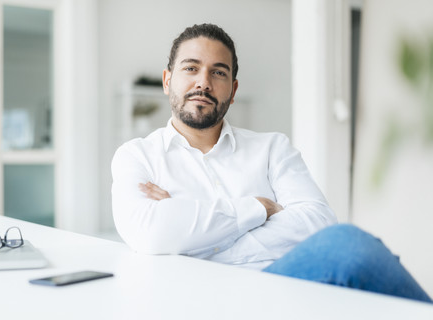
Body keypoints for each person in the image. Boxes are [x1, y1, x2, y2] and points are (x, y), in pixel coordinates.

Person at [111, 23, 432, 303]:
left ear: (233, 90)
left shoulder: (272, 148)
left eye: (218, 72)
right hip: (191, 299)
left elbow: (318, 223)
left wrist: (191, 232)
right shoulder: (136, 156)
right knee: (351, 248)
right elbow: (152, 233)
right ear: (168, 80)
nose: (203, 83)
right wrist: (259, 208)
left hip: (283, 284)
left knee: (352, 254)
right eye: (191, 68)